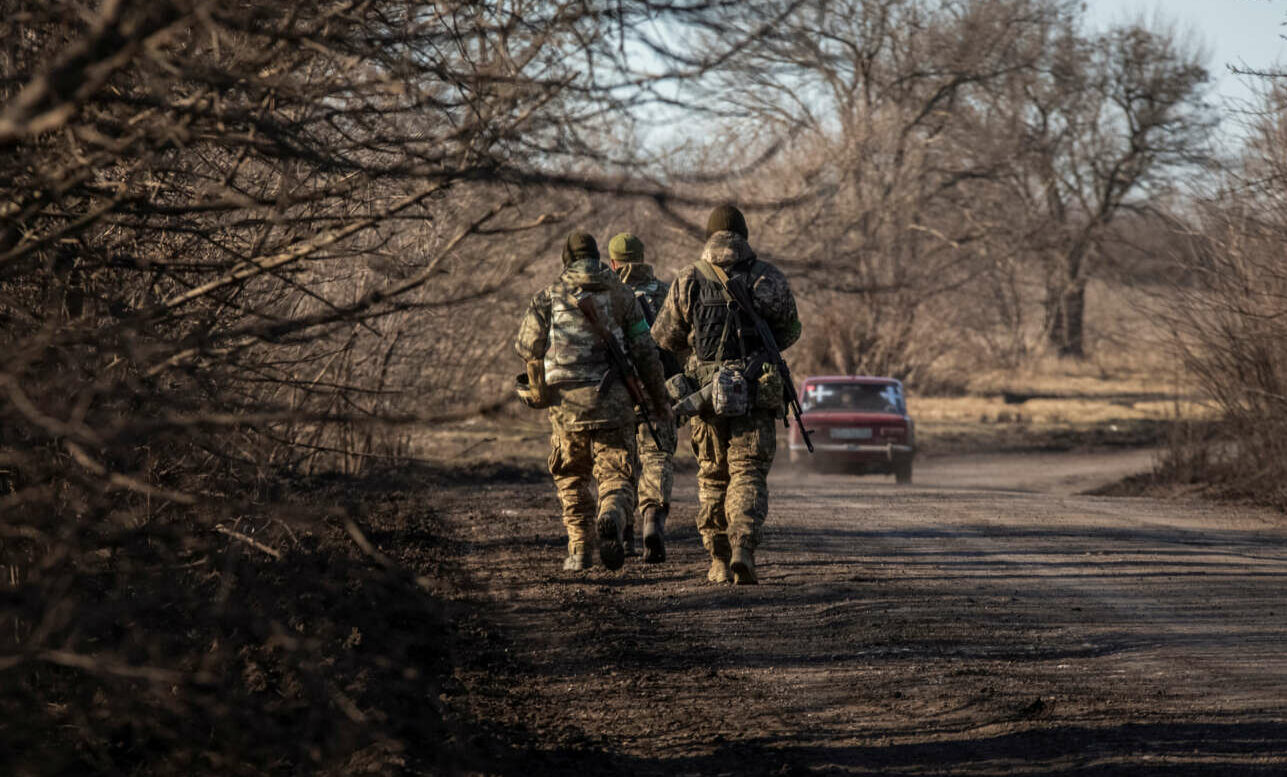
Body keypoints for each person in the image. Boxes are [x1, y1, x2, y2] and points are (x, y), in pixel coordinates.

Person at [651, 206, 801, 584]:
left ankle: (717, 560)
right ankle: (742, 548)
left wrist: (698, 359)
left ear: (710, 236)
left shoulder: (689, 279)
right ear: (744, 235)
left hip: (705, 397)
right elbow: (789, 332)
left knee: (713, 478)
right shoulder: (769, 277)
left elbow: (664, 338)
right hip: (755, 393)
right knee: (748, 473)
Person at [515, 230, 670, 571]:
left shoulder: (548, 296)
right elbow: (645, 350)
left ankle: (581, 548)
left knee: (571, 475)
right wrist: (659, 400)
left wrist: (539, 389)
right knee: (617, 474)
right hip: (614, 402)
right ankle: (612, 514)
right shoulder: (622, 293)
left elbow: (528, 348)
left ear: (566, 260)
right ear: (598, 257)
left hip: (566, 405)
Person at [607, 232, 679, 563]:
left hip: (617, 391)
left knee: (620, 461)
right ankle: (652, 518)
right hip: (658, 389)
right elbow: (683, 344)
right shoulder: (666, 292)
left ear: (613, 262)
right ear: (643, 257)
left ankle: (622, 532)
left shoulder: (607, 296)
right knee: (657, 456)